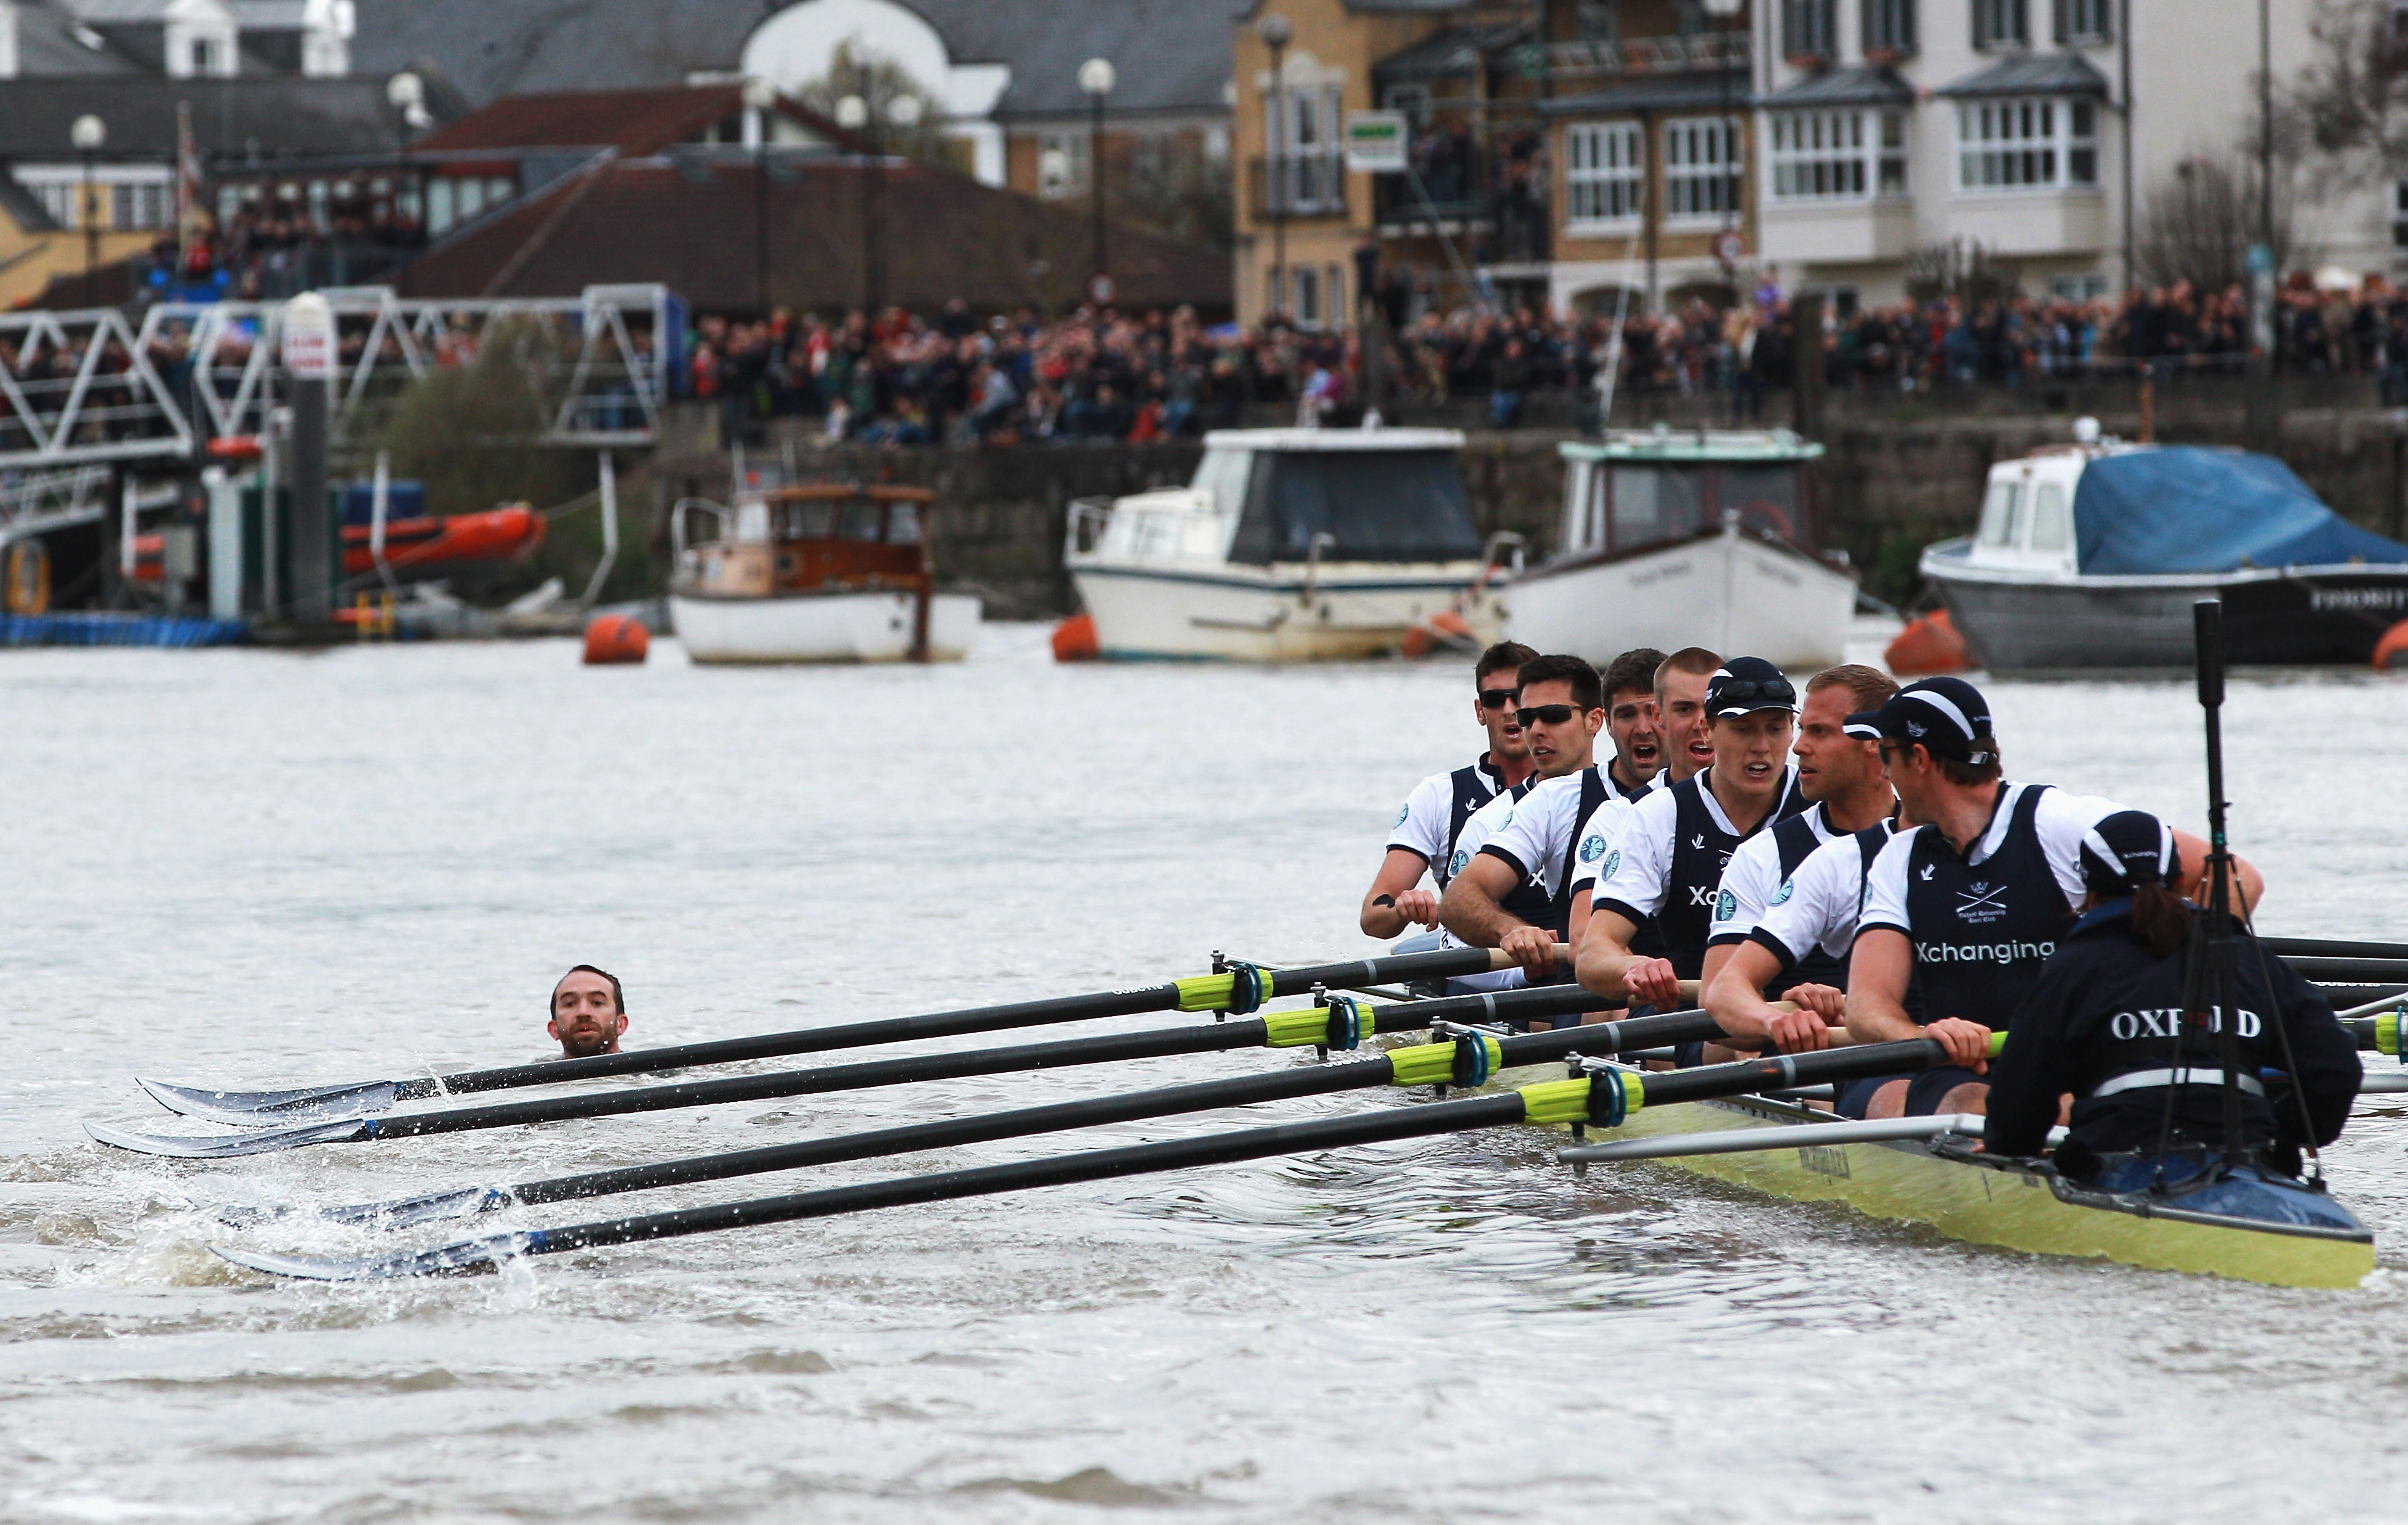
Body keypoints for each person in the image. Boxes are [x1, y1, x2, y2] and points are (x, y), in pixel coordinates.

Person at [1841, 677, 2262, 1121]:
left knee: (2053, 1107)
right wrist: (1925, 1037)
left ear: (1920, 759)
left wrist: (2172, 988)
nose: (1885, 774)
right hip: (1965, 1071)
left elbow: (2235, 876)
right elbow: (1866, 1008)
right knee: (1978, 1108)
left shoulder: (2061, 823)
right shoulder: (1900, 858)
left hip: (2081, 1056)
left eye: (1886, 755)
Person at [1981, 810, 2359, 1196]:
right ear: (2180, 880)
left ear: (2089, 890)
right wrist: (2284, 1135)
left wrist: (2009, 1150)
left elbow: (2020, 1096)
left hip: (2118, 1166)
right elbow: (2337, 1068)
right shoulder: (2246, 958)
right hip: (2252, 1166)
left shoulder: (2071, 968)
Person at [1576, 657, 1809, 1023]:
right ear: (1708, 730)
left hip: (1813, 1012)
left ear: (1793, 731)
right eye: (1743, 730)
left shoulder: (1823, 805)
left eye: (1776, 729)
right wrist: (1631, 966)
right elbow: (1592, 955)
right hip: (1701, 1022)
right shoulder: (1659, 814)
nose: (1762, 747)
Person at [1701, 664, 1900, 1054]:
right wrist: (1780, 1017)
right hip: (1819, 1059)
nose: (1798, 747)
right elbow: (1717, 1004)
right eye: (1803, 729)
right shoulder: (1765, 854)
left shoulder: (1939, 841)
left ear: (1875, 742)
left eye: (1820, 732)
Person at [1437, 653, 1606, 982]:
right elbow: (1452, 946)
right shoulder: (1490, 821)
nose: (1537, 731)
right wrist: (1521, 965)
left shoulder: (1640, 804)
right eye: (1528, 718)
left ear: (1595, 721)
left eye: (1554, 716)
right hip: (1542, 992)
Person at [1359, 640, 1538, 940]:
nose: (1509, 709)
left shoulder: (1582, 791)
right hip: (1473, 960)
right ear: (1480, 712)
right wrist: (1403, 908)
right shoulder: (1439, 796)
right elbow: (1373, 917)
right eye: (1495, 700)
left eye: (1519, 697)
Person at [1558, 646, 1720, 959]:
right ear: (1665, 718)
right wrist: (1635, 971)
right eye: (1685, 709)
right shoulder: (1620, 816)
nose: (1701, 723)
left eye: (1709, 709)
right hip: (1654, 987)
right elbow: (1584, 939)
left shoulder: (1795, 802)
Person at [551, 965, 629, 1059]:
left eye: (597, 1003)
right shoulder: (539, 1067)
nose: (583, 1012)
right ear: (554, 1029)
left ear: (621, 1024)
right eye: (570, 1004)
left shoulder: (644, 1067)